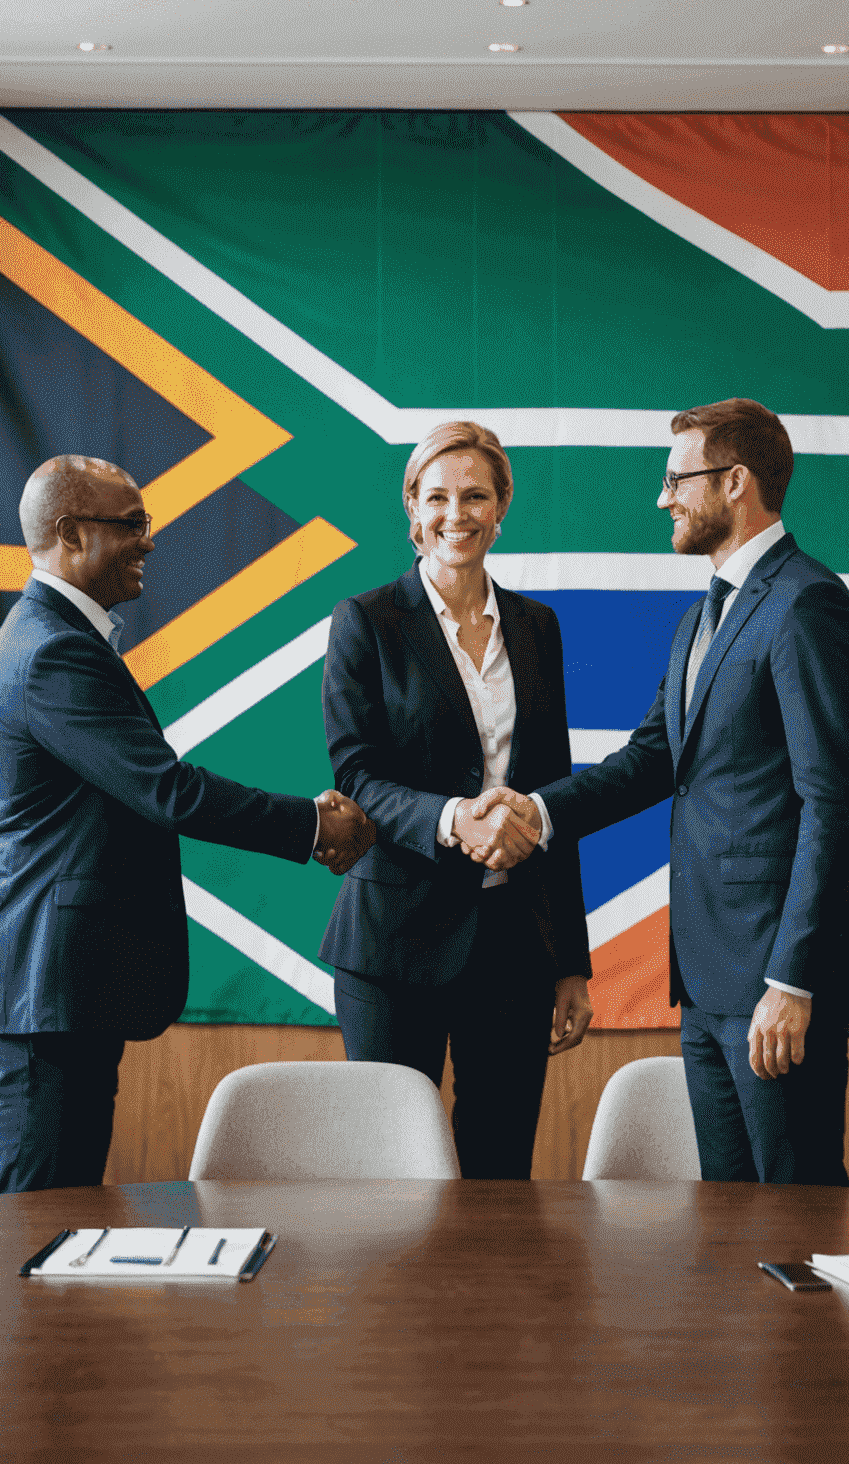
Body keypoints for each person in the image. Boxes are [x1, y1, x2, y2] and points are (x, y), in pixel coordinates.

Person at [471, 399, 849, 1185]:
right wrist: (540, 810)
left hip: (776, 974)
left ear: (735, 483)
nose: (662, 498)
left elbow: (837, 802)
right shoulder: (701, 617)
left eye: (675, 479)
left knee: (794, 1212)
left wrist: (790, 979)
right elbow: (655, 757)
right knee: (729, 1218)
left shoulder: (807, 604)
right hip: (706, 974)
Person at [0, 455, 374, 1195]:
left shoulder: (58, 639)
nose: (148, 541)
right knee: (27, 1230)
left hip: (66, 991)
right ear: (71, 533)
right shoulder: (52, 654)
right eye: (132, 525)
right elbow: (167, 791)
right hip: (38, 994)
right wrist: (311, 825)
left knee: (63, 1221)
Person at [318, 421, 593, 1179]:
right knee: (389, 1176)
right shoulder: (365, 623)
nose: (456, 513)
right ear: (412, 509)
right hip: (392, 942)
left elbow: (555, 793)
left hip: (514, 945)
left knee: (501, 1172)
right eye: (436, 496)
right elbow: (356, 774)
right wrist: (451, 819)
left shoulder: (538, 628)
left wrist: (571, 959)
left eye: (475, 495)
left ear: (502, 506)